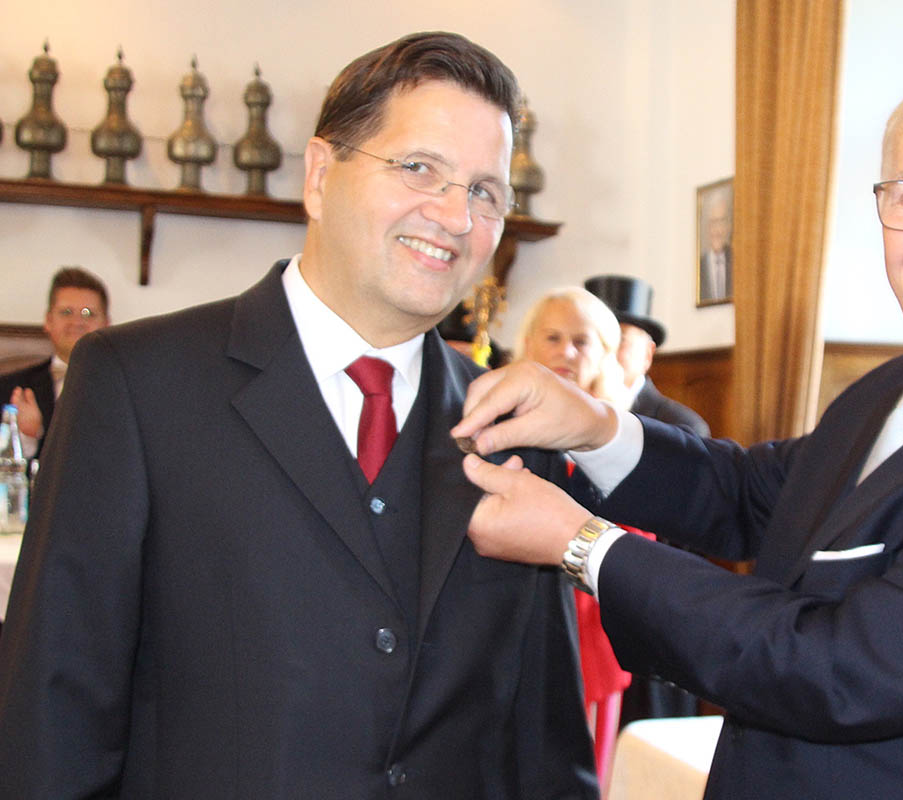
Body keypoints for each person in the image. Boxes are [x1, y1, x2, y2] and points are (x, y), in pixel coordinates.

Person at [452, 56, 903, 799]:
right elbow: (747, 496)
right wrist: (594, 427)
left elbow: (837, 673)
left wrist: (581, 545)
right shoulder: (893, 388)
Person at [0, 33, 597, 799]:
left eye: (485, 191)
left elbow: (542, 734)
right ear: (320, 175)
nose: (455, 215)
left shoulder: (513, 423)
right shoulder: (136, 383)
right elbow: (57, 703)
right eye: (420, 168)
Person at [514, 285, 637, 786]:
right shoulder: (495, 421)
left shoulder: (624, 436)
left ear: (605, 355)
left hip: (589, 634)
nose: (566, 351)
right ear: (528, 345)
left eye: (581, 341)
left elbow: (636, 544)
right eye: (553, 337)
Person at [0, 266, 109, 458]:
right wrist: (27, 435)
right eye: (66, 312)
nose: (77, 322)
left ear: (107, 324)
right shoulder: (10, 388)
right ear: (48, 321)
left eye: (88, 313)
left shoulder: (128, 388)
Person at [585, 274, 710, 437]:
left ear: (647, 354)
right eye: (592, 339)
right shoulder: (567, 411)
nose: (605, 349)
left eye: (619, 339)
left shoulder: (681, 426)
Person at [698, 186, 733, 303]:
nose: (717, 231)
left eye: (721, 222)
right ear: (707, 227)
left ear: (728, 225)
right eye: (713, 222)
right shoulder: (700, 264)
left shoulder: (736, 262)